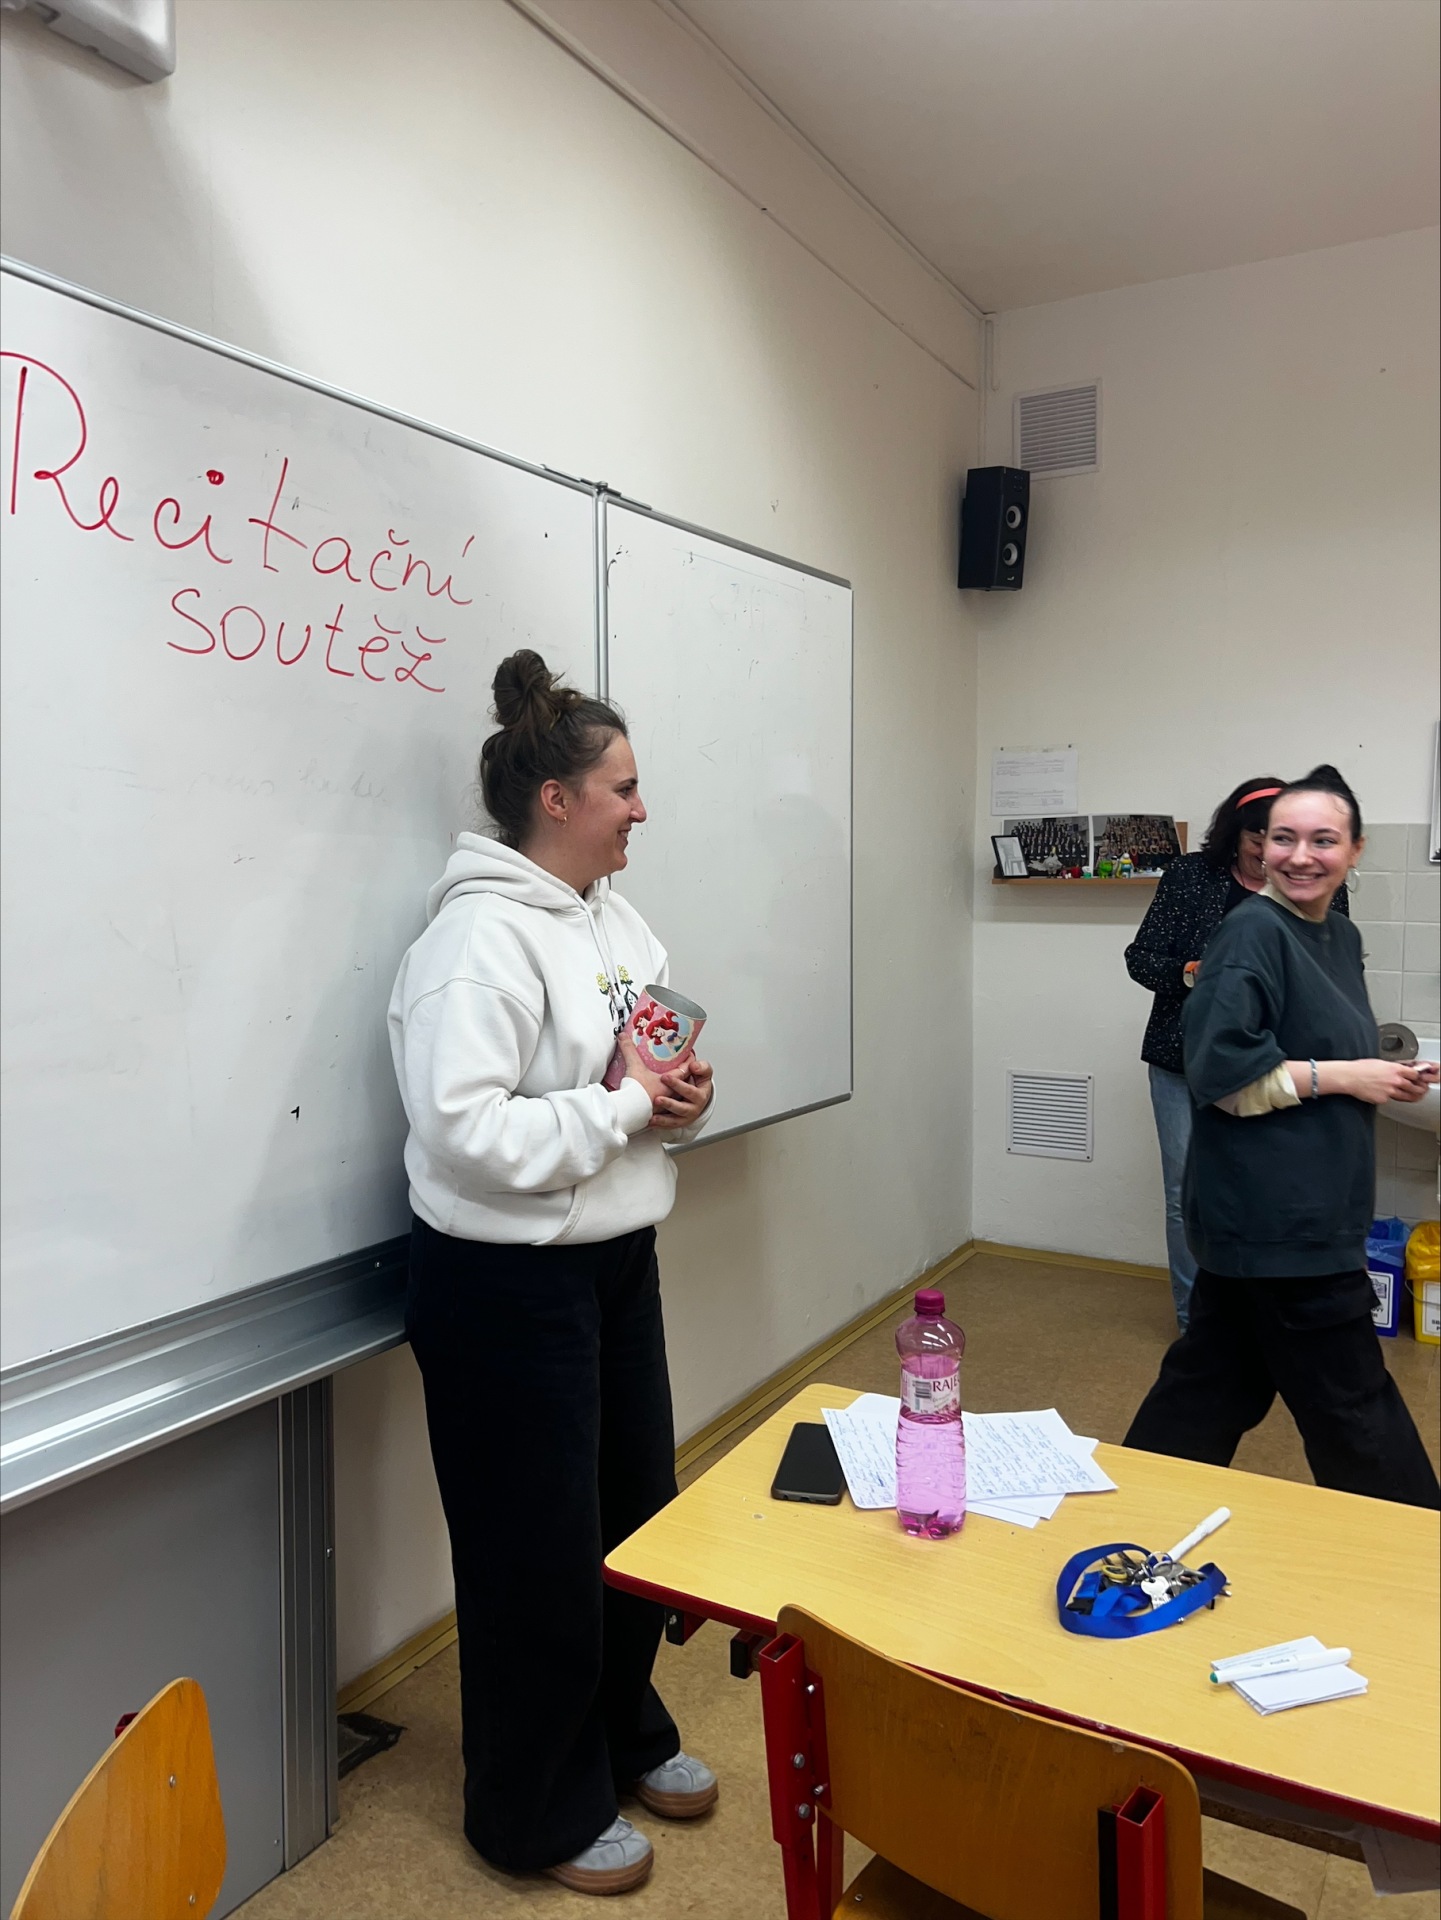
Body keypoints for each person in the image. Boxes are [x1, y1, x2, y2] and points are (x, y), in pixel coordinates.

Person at [388, 650, 717, 1896]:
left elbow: (633, 1076)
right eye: (623, 789)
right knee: (532, 1557)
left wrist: (674, 1098)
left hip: (613, 1262)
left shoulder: (616, 919)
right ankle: (532, 1813)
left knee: (634, 1519)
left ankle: (621, 1737)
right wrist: (624, 1110)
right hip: (502, 1288)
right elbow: (464, 1132)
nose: (642, 809)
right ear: (556, 800)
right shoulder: (474, 940)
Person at [1124, 766, 1440, 1508]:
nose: (1301, 855)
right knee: (1356, 1414)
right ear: (1258, 846)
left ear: (1354, 850)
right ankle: (1418, 1554)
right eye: (1283, 838)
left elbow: (1316, 1041)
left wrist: (1384, 1072)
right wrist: (1348, 1076)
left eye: (1322, 840)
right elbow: (1222, 1078)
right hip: (1279, 1219)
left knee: (1206, 1391)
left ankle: (1132, 1515)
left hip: (1293, 1213)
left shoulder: (1336, 933)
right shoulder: (1250, 932)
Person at [1124, 777, 1351, 1330]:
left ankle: (1264, 1321)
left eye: (1281, 840)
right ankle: (1198, 1324)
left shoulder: (1315, 883)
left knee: (1269, 1193)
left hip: (1276, 1066)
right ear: (1235, 834)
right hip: (1183, 1062)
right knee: (1187, 1196)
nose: (1269, 854)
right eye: (1257, 840)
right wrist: (1190, 973)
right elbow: (1141, 958)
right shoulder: (1190, 878)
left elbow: (1338, 971)